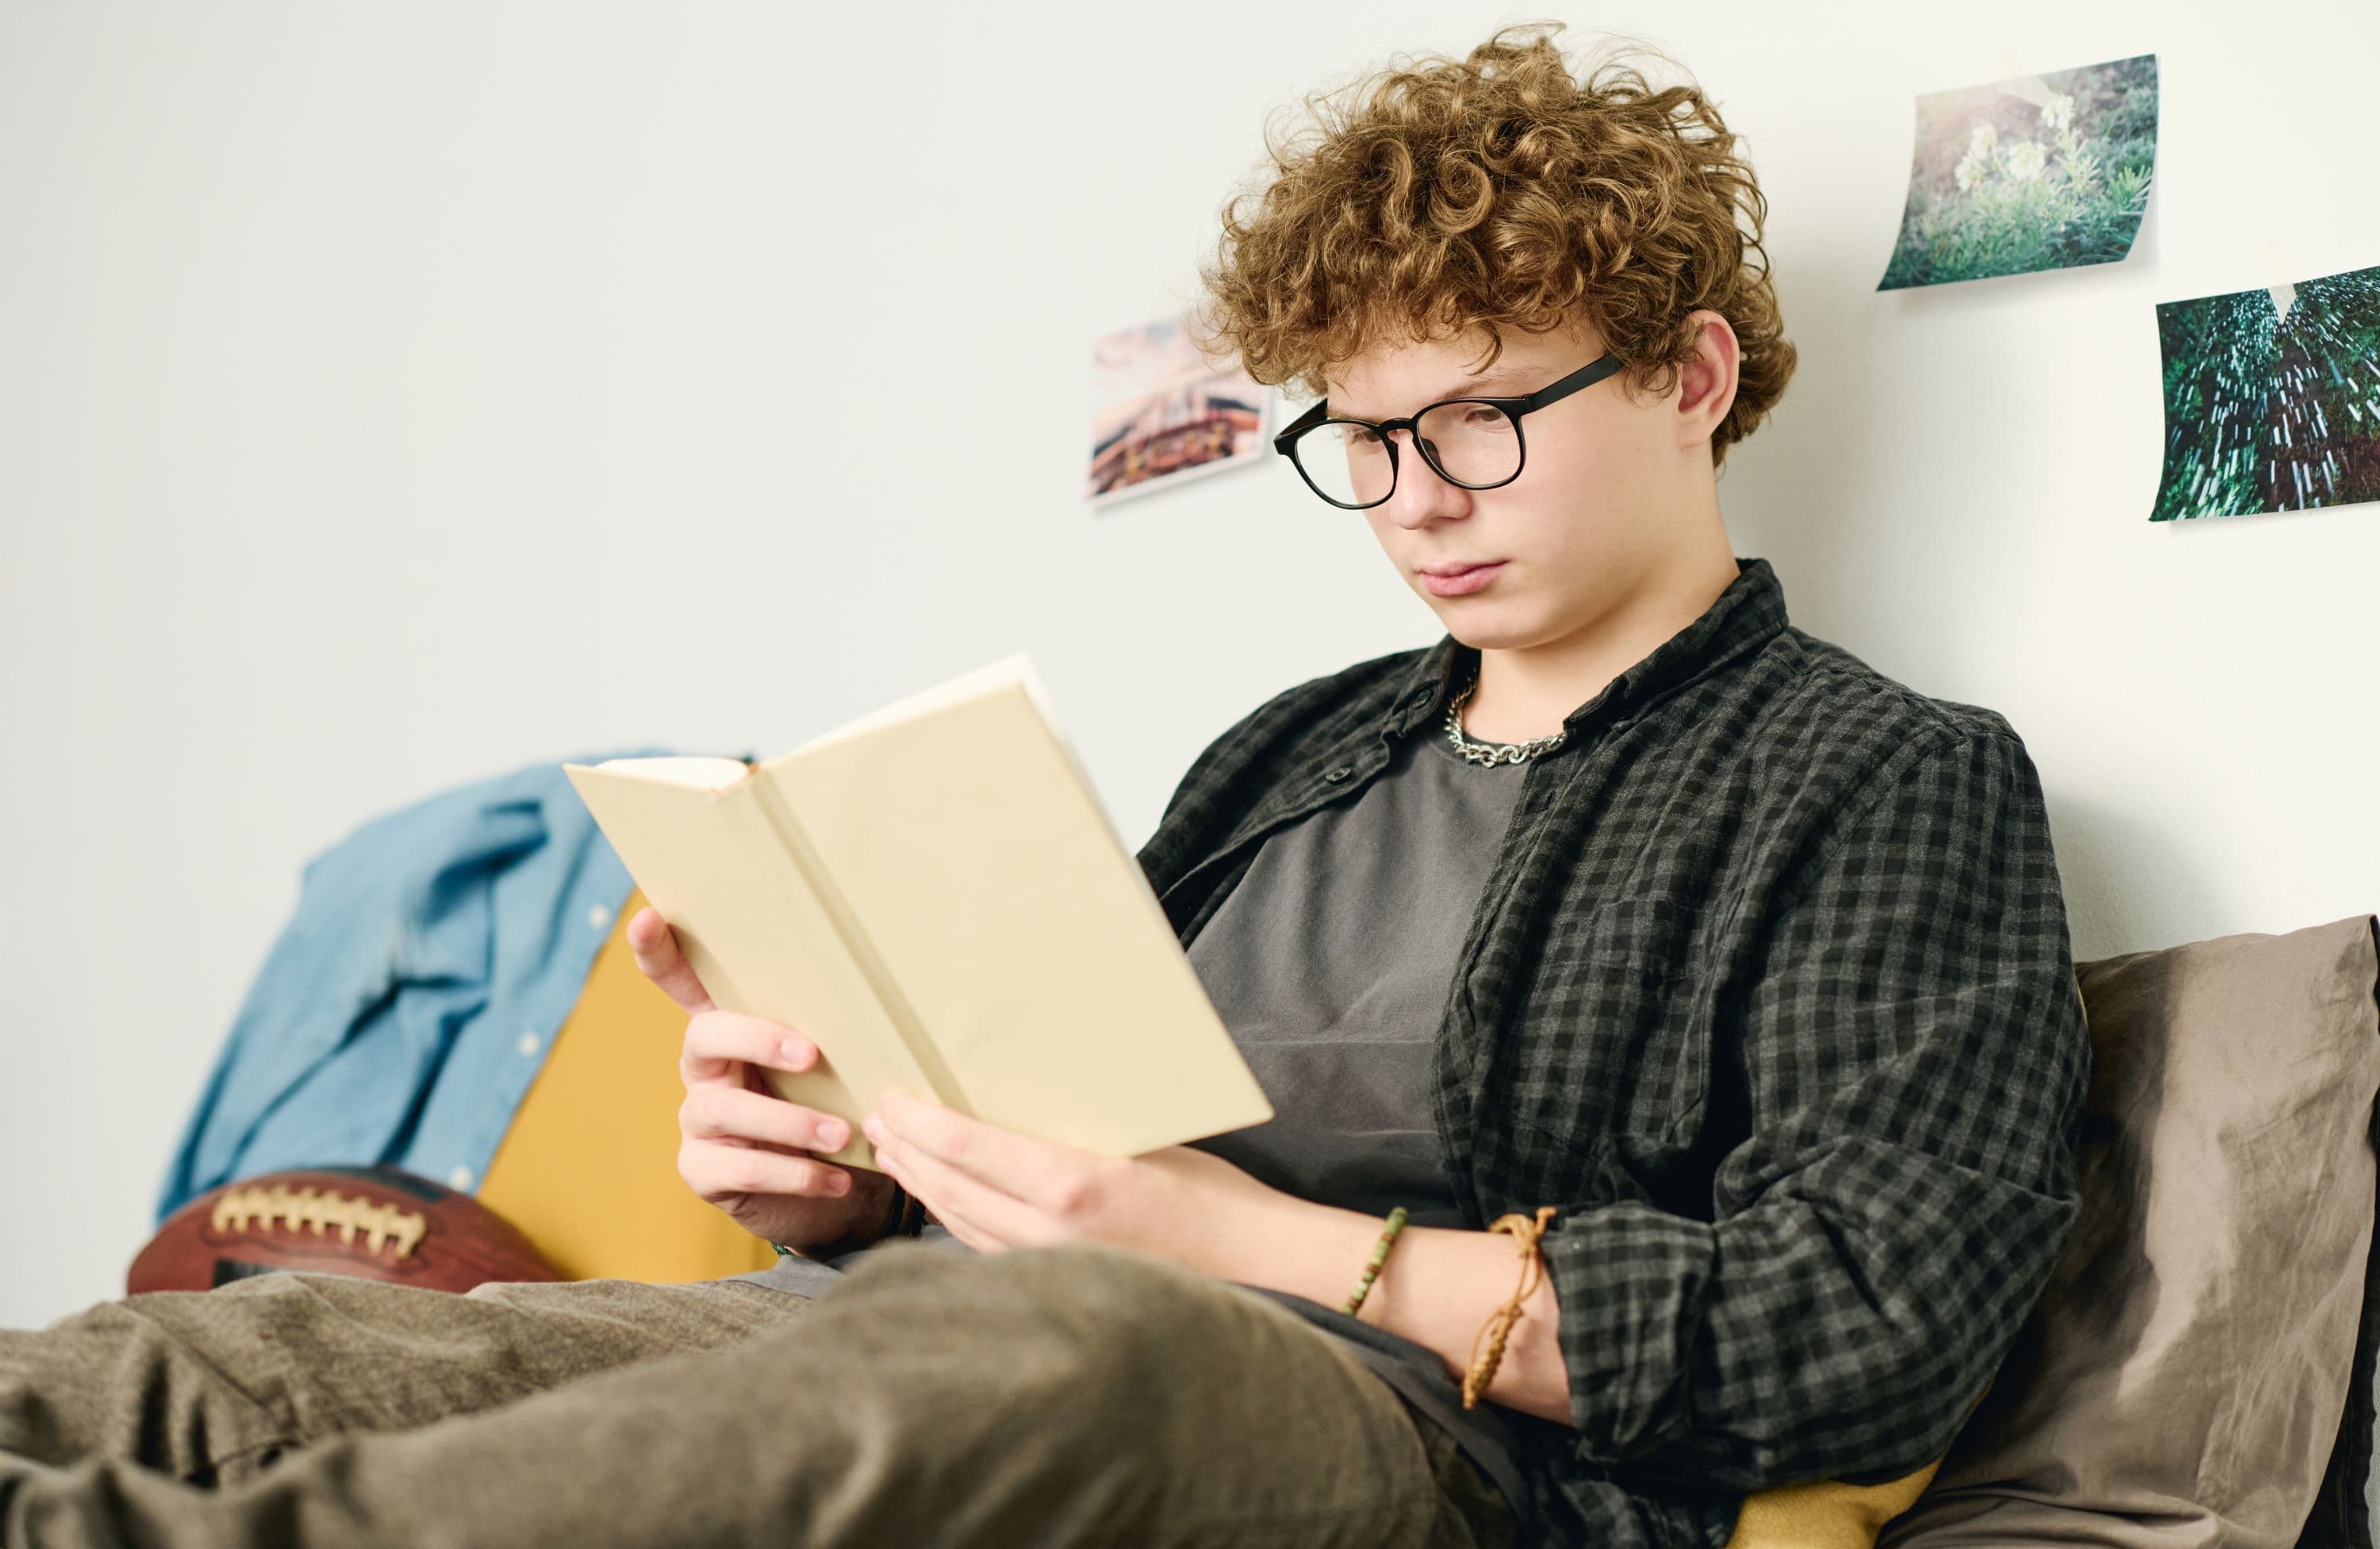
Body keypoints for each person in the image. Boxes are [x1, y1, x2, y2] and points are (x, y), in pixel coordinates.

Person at [0, 20, 2091, 1549]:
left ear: (1693, 374)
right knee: (263, 1358)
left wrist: (1240, 1238)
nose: (1414, 503)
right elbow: (1069, 1147)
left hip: (1407, 1450)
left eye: (1479, 422)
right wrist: (847, 1174)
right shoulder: (1294, 752)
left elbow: (1864, 1319)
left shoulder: (1881, 779)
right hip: (935, 1331)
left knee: (1071, 1354)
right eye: (1364, 442)